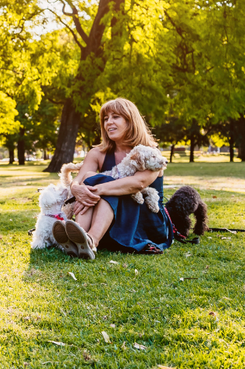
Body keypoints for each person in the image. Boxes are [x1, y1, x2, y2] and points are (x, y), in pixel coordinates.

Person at [57, 97, 173, 260]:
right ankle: (79, 235)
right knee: (90, 178)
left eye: (115, 117)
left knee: (103, 183)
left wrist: (95, 188)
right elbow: (80, 178)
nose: (108, 122)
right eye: (105, 119)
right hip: (112, 218)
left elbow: (137, 184)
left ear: (130, 121)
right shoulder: (97, 153)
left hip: (147, 220)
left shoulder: (150, 153)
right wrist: (77, 188)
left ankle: (91, 240)